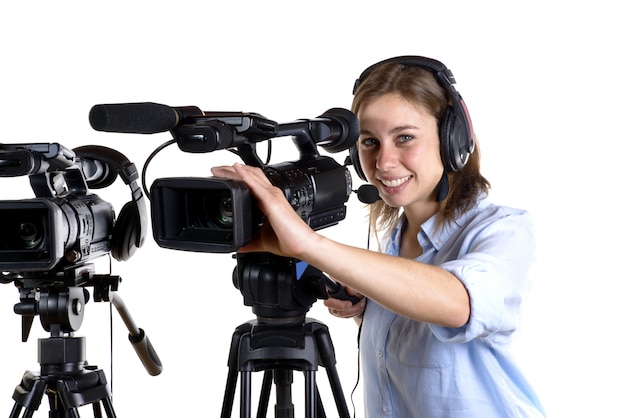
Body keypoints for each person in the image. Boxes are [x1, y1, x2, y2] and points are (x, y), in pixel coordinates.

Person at [211, 56, 546, 417]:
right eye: (370, 141)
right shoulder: (393, 246)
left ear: (452, 140)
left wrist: (309, 244)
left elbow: (459, 303)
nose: (384, 162)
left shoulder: (504, 230)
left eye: (405, 138)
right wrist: (365, 310)